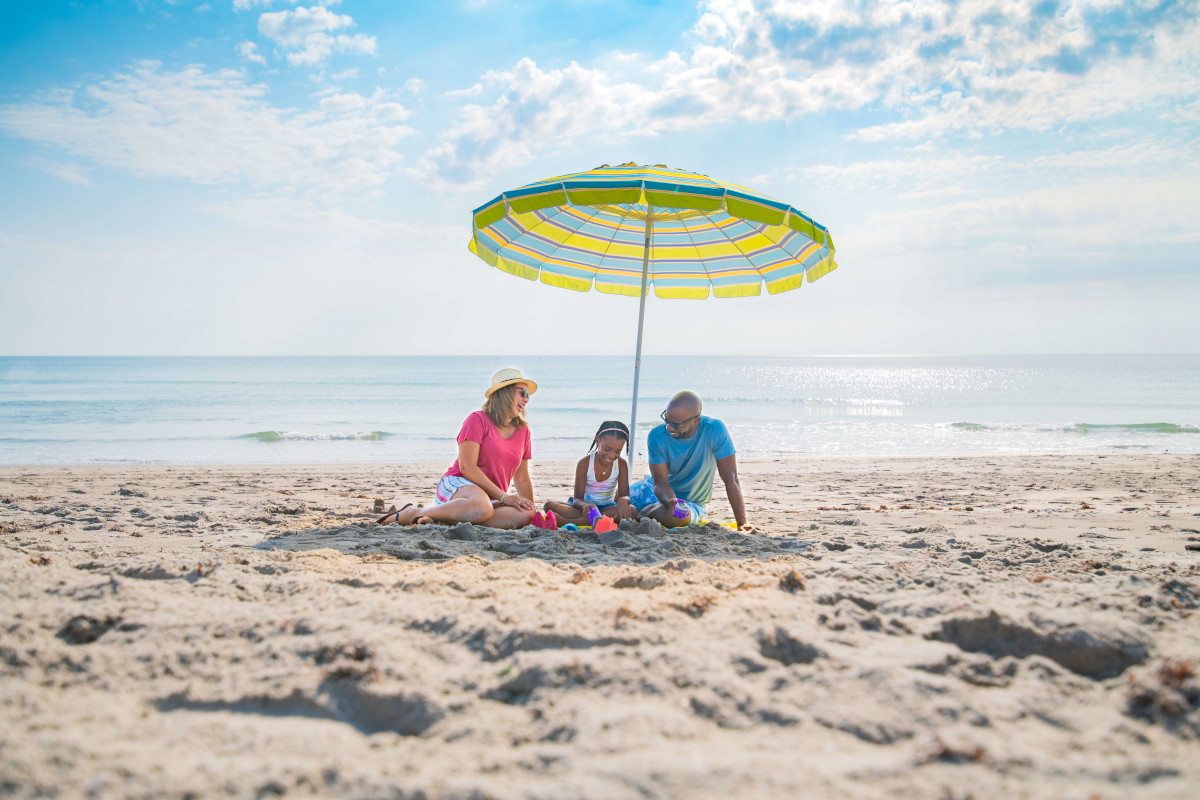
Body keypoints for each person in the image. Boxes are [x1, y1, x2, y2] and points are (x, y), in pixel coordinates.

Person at [378, 368, 537, 529]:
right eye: (523, 393)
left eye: (528, 395)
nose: (526, 399)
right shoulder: (477, 420)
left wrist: (534, 513)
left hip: (492, 498)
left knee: (525, 515)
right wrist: (505, 497)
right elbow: (467, 467)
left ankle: (442, 519)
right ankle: (412, 513)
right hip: (460, 485)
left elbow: (522, 478)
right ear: (506, 392)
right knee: (481, 507)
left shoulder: (523, 431)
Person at [629, 391, 754, 531]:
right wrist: (671, 501)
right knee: (616, 500)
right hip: (657, 490)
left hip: (691, 503)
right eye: (666, 420)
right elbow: (660, 482)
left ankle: (638, 515)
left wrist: (741, 523)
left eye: (675, 425)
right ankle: (641, 511)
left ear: (696, 421)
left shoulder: (714, 430)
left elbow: (731, 478)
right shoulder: (656, 436)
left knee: (675, 516)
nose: (668, 427)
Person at [543, 421, 635, 526]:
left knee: (632, 511)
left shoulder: (621, 464)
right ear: (597, 440)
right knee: (549, 505)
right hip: (584, 508)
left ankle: (568, 521)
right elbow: (577, 500)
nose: (611, 455)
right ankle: (598, 519)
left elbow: (625, 495)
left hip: (607, 507)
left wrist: (623, 500)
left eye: (617, 452)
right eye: (607, 449)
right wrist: (587, 505)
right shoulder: (585, 463)